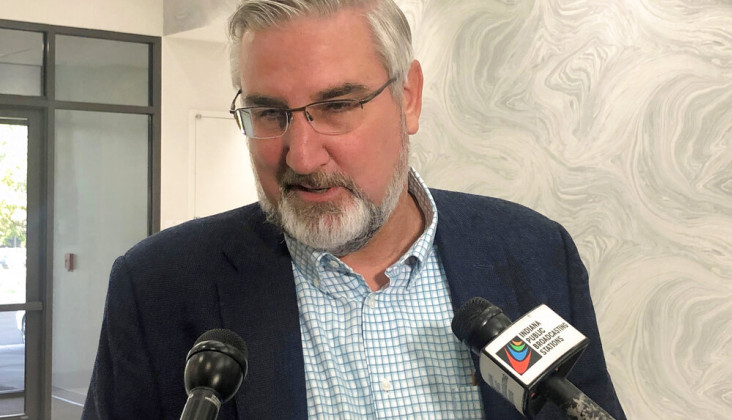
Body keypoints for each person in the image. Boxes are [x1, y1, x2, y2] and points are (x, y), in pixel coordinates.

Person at [83, 0, 626, 418]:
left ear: (407, 97)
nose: (300, 153)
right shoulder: (157, 285)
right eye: (269, 113)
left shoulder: (534, 252)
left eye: (338, 106)